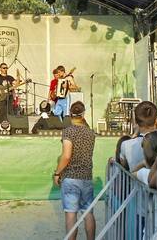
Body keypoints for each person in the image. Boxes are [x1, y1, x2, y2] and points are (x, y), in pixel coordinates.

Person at [53, 101, 96, 240]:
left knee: (71, 214)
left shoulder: (68, 131)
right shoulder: (90, 133)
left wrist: (57, 173)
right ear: (83, 114)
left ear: (70, 114)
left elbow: (66, 156)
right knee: (88, 213)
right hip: (86, 176)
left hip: (71, 177)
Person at [119, 101, 157, 171]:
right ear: (156, 120)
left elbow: (123, 165)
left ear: (136, 121)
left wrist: (134, 135)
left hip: (134, 177)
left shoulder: (125, 144)